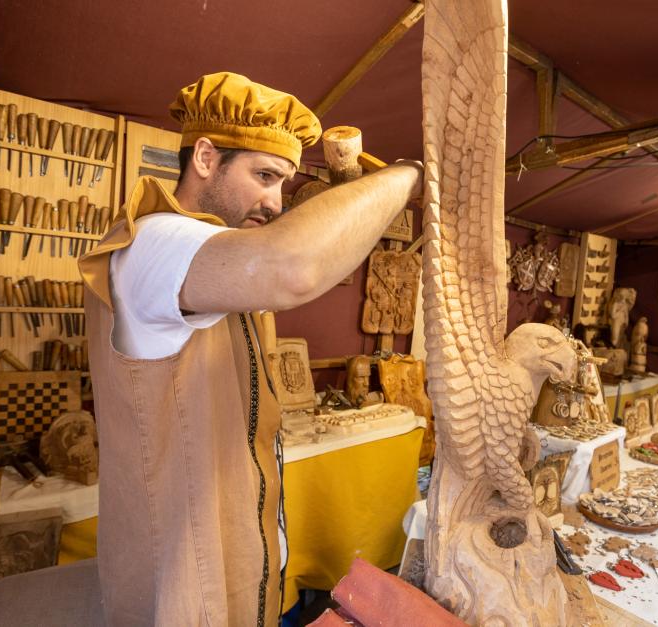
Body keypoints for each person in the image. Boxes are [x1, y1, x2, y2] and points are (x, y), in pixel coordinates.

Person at [79, 72, 422, 626]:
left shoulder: (213, 251)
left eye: (284, 183)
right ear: (207, 158)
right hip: (181, 587)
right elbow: (292, 267)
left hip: (232, 566)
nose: (274, 201)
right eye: (264, 176)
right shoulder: (155, 242)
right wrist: (408, 173)